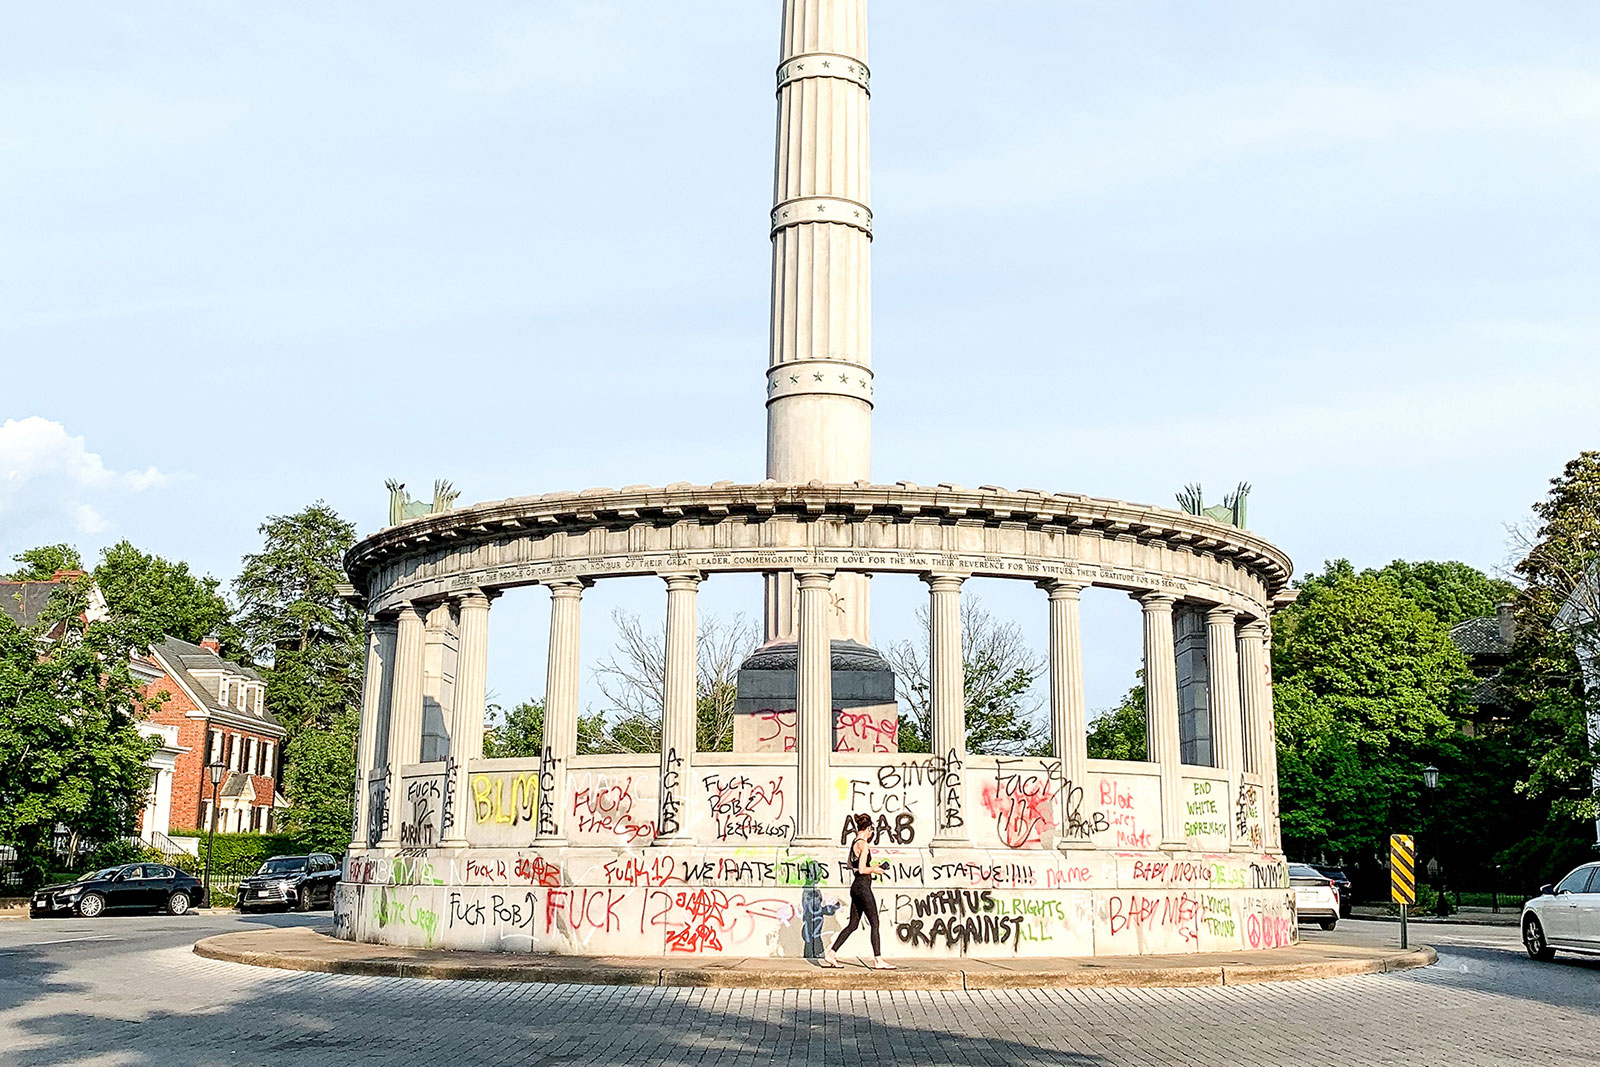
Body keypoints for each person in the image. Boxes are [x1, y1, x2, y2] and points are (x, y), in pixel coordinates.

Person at [822, 812, 894, 969]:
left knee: (853, 924)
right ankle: (878, 960)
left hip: (856, 887)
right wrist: (874, 869)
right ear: (868, 828)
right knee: (875, 922)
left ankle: (831, 953)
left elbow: (853, 867)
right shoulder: (864, 844)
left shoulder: (854, 842)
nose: (871, 834)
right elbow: (862, 869)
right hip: (862, 887)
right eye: (872, 830)